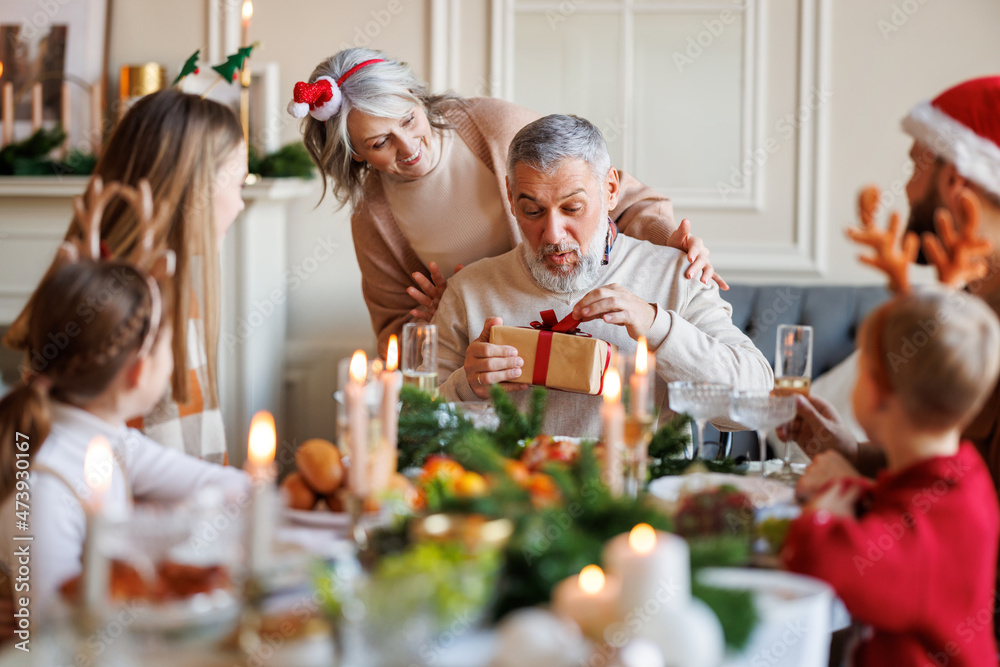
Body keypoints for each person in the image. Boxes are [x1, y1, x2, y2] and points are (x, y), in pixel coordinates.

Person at [293, 48, 727, 357]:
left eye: (408, 119)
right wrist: (437, 319)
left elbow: (606, 193)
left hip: (577, 318)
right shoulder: (373, 219)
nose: (409, 147)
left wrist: (673, 246)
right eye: (380, 141)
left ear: (416, 97)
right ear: (355, 153)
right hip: (493, 365)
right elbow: (394, 339)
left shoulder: (491, 125)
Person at [431, 114, 771, 435]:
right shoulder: (468, 292)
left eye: (572, 208)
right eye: (532, 210)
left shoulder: (676, 275)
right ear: (510, 196)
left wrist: (657, 326)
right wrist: (467, 387)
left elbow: (755, 406)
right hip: (512, 492)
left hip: (641, 490)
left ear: (610, 190)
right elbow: (413, 424)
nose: (552, 234)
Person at [0, 215, 247, 617]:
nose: (174, 362)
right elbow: (47, 634)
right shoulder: (44, 486)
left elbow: (238, 489)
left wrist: (162, 521)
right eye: (170, 346)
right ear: (137, 370)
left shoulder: (113, 441)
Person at [3, 89, 246, 463]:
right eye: (238, 184)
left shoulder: (125, 294)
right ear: (194, 188)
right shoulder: (139, 308)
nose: (241, 204)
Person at [784, 76, 1000, 496]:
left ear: (954, 178)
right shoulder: (970, 302)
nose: (907, 187)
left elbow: (971, 504)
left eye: (917, 164)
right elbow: (947, 462)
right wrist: (848, 451)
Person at [782, 289, 1000, 666]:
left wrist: (820, 514)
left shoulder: (922, 538)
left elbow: (814, 560)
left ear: (881, 393)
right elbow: (899, 505)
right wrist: (850, 484)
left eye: (863, 368)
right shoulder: (965, 472)